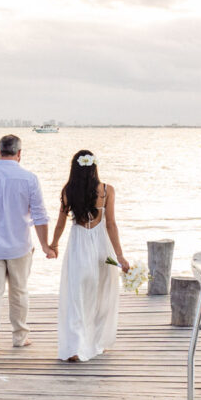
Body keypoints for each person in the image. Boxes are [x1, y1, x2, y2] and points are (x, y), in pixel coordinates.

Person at [0, 134, 56, 354]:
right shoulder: (29, 179)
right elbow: (40, 216)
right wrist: (45, 245)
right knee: (19, 292)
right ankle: (20, 337)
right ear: (20, 154)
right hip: (20, 247)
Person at [50, 149, 128, 362]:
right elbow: (111, 224)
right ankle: (95, 343)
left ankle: (75, 346)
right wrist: (119, 256)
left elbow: (60, 223)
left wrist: (53, 245)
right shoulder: (106, 190)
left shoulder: (68, 190)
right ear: (94, 167)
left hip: (79, 245)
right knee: (102, 294)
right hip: (102, 246)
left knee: (76, 295)